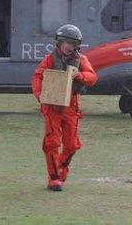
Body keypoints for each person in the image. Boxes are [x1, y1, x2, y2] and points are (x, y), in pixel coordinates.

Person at [31, 24, 98, 191]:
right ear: (59, 43)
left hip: (71, 106)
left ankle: (62, 169)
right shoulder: (49, 59)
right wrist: (40, 96)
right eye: (67, 42)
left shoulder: (81, 60)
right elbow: (37, 77)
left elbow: (92, 77)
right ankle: (53, 178)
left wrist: (79, 74)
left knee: (72, 144)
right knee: (52, 142)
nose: (69, 46)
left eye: (73, 43)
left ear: (77, 45)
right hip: (51, 105)